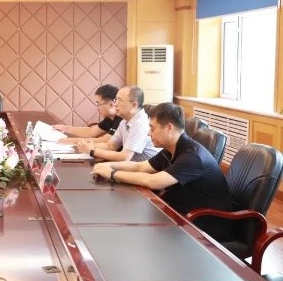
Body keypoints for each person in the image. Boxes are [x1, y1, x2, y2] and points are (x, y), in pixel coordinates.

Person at [91, 102, 234, 241]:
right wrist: (107, 165)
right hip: (181, 212)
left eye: (152, 128)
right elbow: (141, 167)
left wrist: (112, 174)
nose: (149, 133)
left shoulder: (192, 156)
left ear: (169, 128)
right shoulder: (171, 148)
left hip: (206, 223)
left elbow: (153, 181)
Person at [76, 85, 159, 161]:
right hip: (132, 167)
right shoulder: (124, 121)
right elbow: (111, 145)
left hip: (147, 170)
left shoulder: (140, 123)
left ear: (133, 105)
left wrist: (92, 151)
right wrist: (88, 145)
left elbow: (125, 157)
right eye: (116, 99)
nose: (115, 104)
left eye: (119, 100)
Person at [54, 84, 122, 144]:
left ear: (111, 105)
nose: (97, 108)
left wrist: (70, 141)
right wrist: (64, 128)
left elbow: (105, 141)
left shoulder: (121, 119)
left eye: (98, 104)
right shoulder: (109, 119)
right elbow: (90, 131)